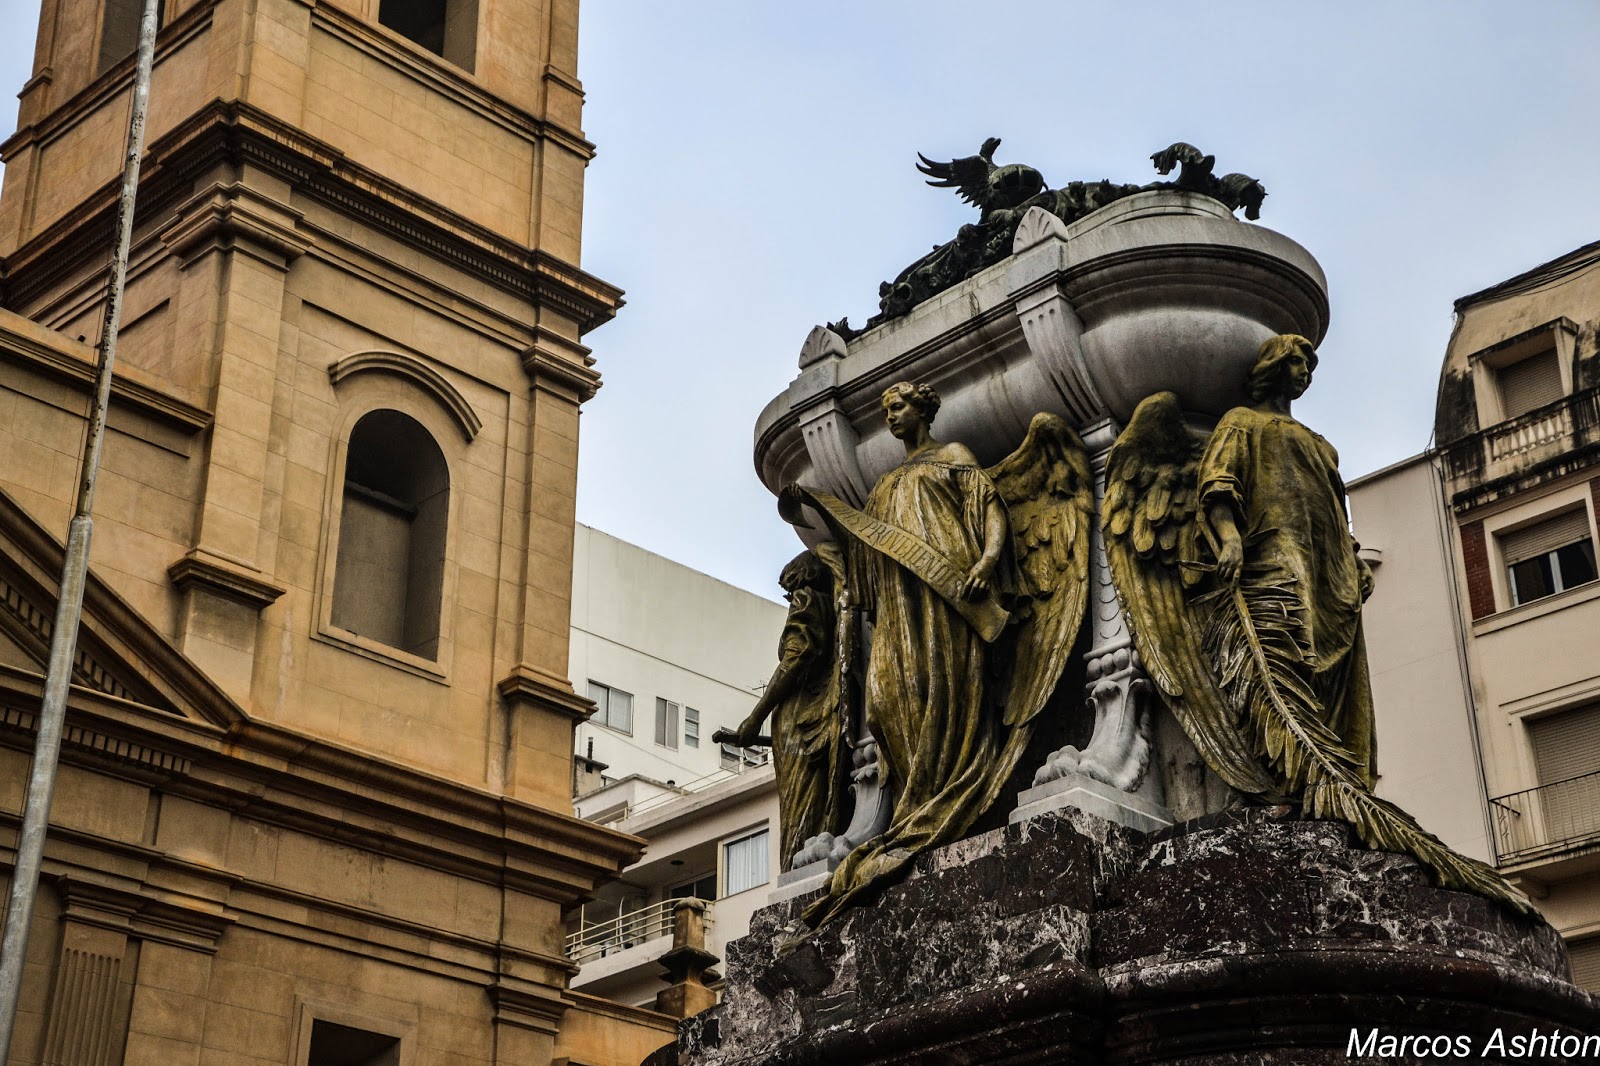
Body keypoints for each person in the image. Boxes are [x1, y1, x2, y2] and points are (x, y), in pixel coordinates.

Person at [795, 381, 1020, 929]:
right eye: (885, 411)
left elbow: (990, 512)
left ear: (923, 409)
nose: (891, 417)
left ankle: (947, 789)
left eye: (898, 407)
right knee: (885, 699)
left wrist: (986, 563)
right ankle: (916, 800)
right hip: (899, 608)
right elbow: (866, 558)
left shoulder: (954, 457)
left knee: (943, 684)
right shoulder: (882, 486)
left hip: (949, 600)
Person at [1198, 333, 1376, 783]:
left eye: (1309, 367)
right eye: (1296, 363)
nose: (1304, 374)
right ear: (1273, 367)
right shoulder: (1242, 422)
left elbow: (1336, 511)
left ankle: (1333, 768)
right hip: (1276, 551)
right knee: (1288, 643)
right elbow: (1219, 482)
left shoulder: (1321, 445)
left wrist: (1354, 561)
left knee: (1334, 666)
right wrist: (1230, 537)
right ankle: (1287, 767)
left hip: (1329, 566)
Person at [713, 549, 845, 872]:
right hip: (812, 718)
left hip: (799, 723)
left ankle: (798, 881)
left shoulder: (807, 599)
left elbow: (796, 657)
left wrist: (755, 717)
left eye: (788, 592)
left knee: (799, 821)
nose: (789, 599)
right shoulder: (836, 605)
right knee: (812, 815)